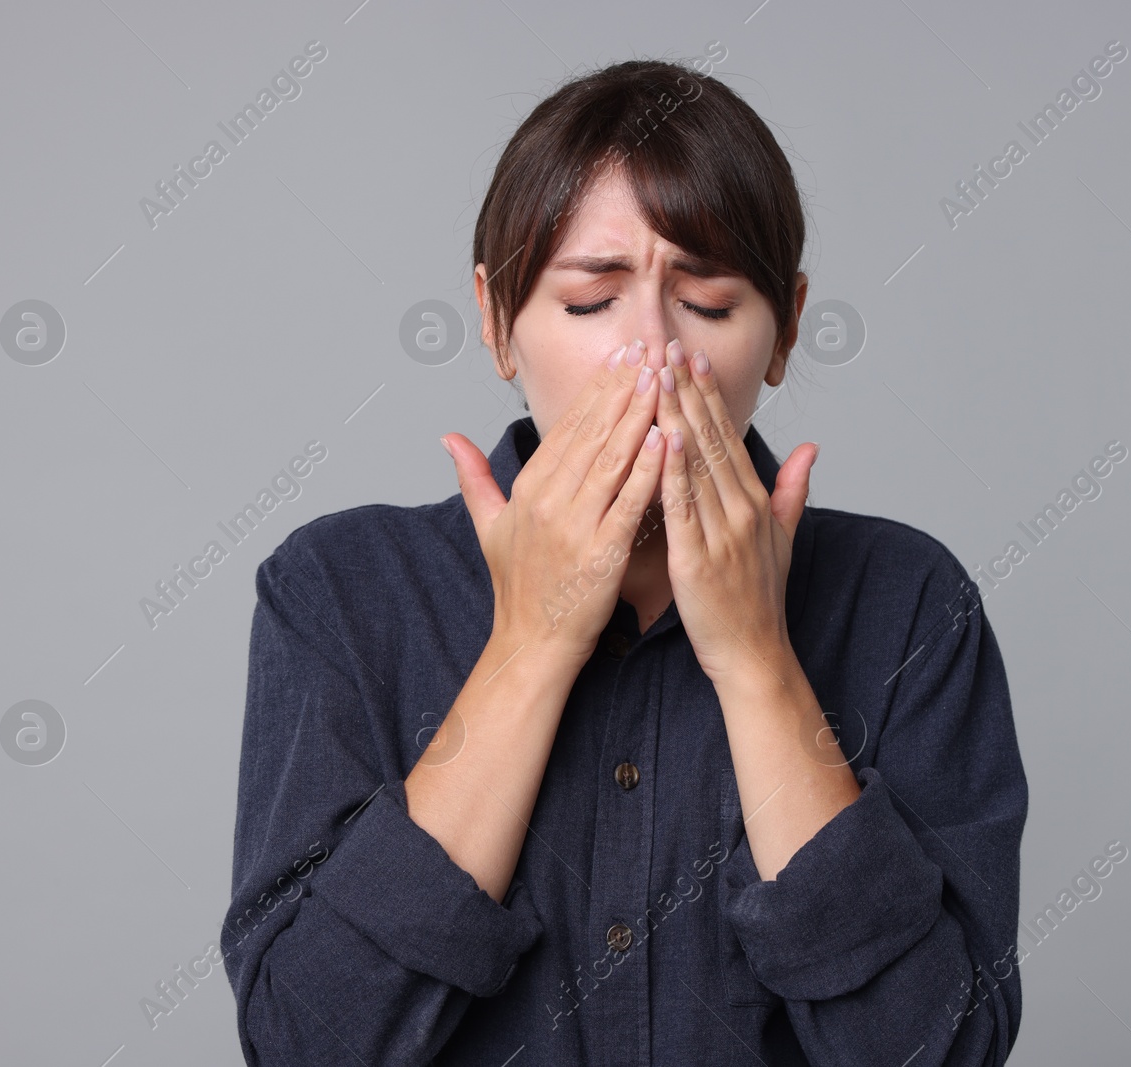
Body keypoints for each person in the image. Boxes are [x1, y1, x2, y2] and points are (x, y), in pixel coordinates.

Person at [222, 57, 1028, 1066]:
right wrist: (531, 642)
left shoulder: (910, 604)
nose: (653, 356)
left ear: (783, 330)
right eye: (591, 302)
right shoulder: (339, 593)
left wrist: (758, 661)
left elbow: (938, 1051)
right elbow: (307, 1042)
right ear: (494, 317)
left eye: (711, 303)